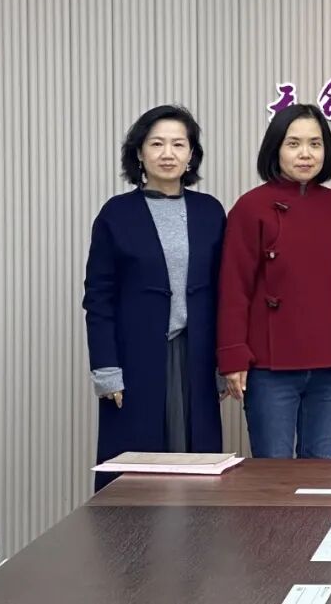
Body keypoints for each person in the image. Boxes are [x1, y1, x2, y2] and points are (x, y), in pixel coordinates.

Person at [217, 105, 331, 459]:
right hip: (269, 367)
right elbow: (234, 289)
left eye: (315, 144)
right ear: (275, 148)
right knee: (273, 471)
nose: (306, 154)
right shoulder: (251, 207)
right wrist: (233, 356)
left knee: (321, 470)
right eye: (294, 144)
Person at [84, 105, 226, 490]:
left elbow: (224, 292)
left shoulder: (210, 212)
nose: (168, 153)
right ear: (139, 153)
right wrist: (106, 369)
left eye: (178, 144)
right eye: (157, 143)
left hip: (196, 356)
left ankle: (196, 533)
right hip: (137, 357)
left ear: (191, 154)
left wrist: (224, 362)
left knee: (197, 464)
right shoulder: (116, 214)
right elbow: (98, 298)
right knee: (136, 469)